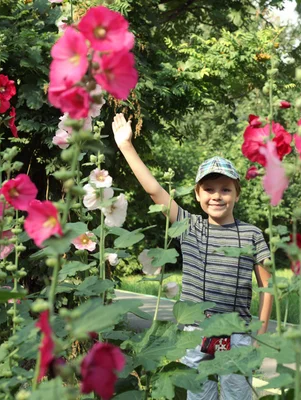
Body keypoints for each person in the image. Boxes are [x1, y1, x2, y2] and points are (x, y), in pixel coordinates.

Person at [112, 113, 273, 400]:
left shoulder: (251, 234)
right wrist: (126, 146)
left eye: (225, 189)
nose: (217, 196)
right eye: (209, 189)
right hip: (195, 333)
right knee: (199, 395)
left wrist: (259, 333)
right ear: (198, 194)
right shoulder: (189, 226)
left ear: (237, 193)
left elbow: (267, 286)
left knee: (239, 396)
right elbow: (154, 191)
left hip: (237, 335)